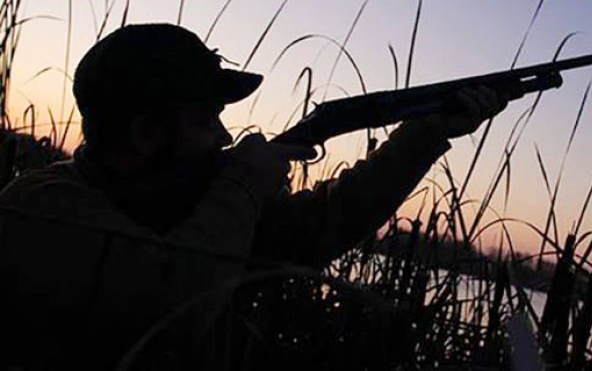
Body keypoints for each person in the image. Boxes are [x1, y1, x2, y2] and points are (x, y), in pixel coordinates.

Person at [0, 23, 507, 369]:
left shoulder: (192, 197)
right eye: (205, 120)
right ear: (147, 134)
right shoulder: (40, 207)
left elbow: (325, 224)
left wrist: (424, 134)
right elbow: (173, 305)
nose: (224, 137)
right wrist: (244, 181)